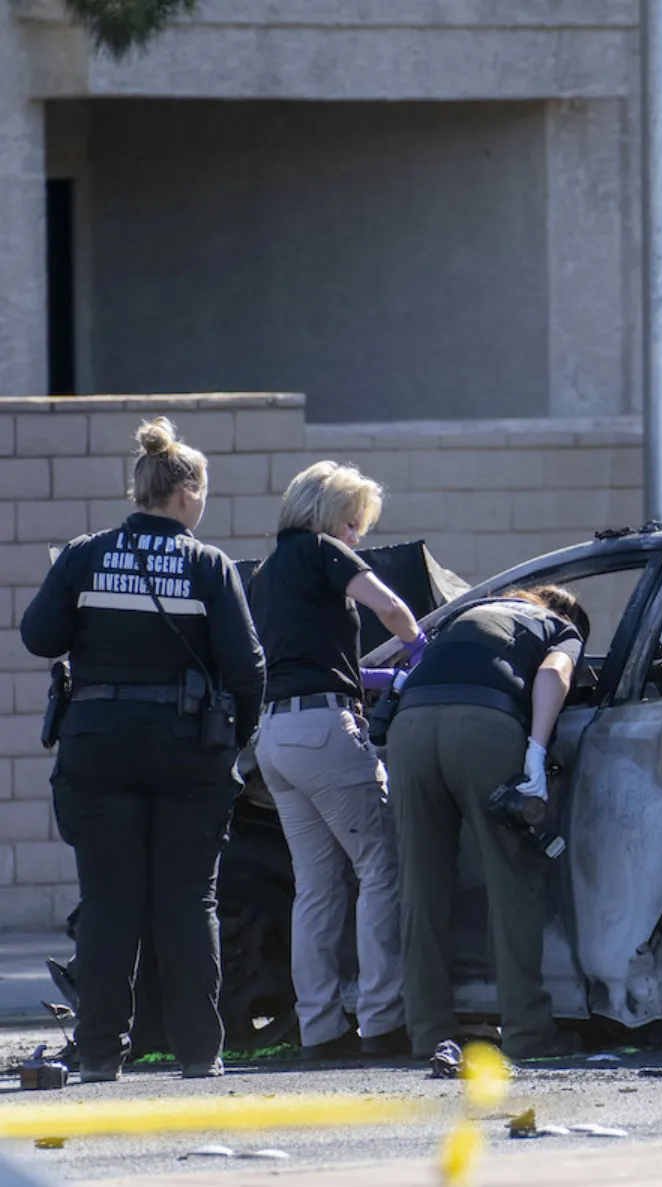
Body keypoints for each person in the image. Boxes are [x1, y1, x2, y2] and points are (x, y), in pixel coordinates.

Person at [20, 418, 266, 1082]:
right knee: (188, 902)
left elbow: (39, 637)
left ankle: (101, 1054)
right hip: (188, 751)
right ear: (186, 494)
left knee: (108, 902)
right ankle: (197, 1053)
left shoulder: (84, 553)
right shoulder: (208, 564)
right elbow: (247, 670)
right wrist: (229, 746)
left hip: (97, 746)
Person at [249, 462, 427, 1061]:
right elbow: (393, 609)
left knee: (316, 887)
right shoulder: (325, 551)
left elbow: (298, 655)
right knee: (381, 868)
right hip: (325, 732)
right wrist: (422, 649)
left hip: (275, 736)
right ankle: (382, 1021)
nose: (358, 536)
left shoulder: (269, 570)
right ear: (329, 516)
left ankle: (320, 1027)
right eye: (355, 522)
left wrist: (369, 676)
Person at [387, 586, 590, 1061]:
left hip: (410, 729)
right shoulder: (559, 628)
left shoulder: (468, 613)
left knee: (420, 887)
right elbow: (554, 673)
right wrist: (537, 753)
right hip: (483, 727)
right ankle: (527, 1033)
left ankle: (429, 1034)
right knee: (512, 879)